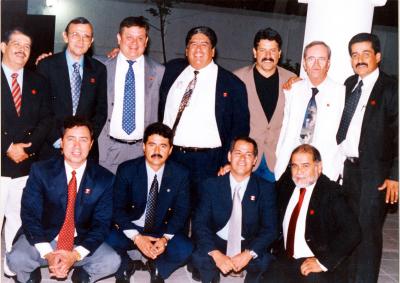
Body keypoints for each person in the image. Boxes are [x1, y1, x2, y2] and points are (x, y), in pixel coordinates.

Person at [7, 116, 120, 283]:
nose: (76, 146)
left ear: (91, 144)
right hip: (45, 237)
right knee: (16, 259)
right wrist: (48, 253)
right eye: (71, 139)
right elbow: (30, 214)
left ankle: (82, 275)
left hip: (79, 240)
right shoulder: (41, 171)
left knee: (112, 261)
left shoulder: (104, 179)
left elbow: (102, 224)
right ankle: (31, 273)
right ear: (61, 142)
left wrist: (75, 255)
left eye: (83, 140)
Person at [159, 26, 250, 197]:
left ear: (213, 51)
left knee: (204, 215)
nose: (198, 49)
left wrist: (229, 161)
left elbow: (240, 127)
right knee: (171, 212)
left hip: (209, 161)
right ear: (186, 50)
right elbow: (144, 68)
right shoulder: (170, 72)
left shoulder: (232, 84)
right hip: (172, 157)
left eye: (204, 44)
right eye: (193, 44)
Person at [337, 33, 398, 283]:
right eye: (354, 54)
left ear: (378, 57)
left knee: (367, 233)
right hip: (348, 170)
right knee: (349, 229)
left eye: (365, 53)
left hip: (376, 175)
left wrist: (395, 176)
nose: (359, 59)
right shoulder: (349, 83)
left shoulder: (391, 89)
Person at [106, 122, 192, 283]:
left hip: (161, 229)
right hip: (133, 226)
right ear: (144, 147)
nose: (157, 151)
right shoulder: (127, 169)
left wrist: (165, 239)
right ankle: (126, 265)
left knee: (185, 249)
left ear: (171, 150)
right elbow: (117, 209)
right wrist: (137, 237)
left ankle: (158, 267)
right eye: (152, 145)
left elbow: (182, 211)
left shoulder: (181, 174)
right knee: (106, 238)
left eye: (163, 146)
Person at [265, 144, 360, 283]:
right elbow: (262, 192)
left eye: (305, 166)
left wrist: (323, 262)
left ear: (318, 167)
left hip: (315, 260)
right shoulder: (287, 183)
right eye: (295, 166)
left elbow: (353, 232)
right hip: (284, 258)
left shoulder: (332, 193)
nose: (299, 172)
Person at [1, 27, 53, 277]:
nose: (22, 49)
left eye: (27, 46)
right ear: (3, 46)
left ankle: (12, 265)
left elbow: (46, 120)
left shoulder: (37, 81)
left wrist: (25, 149)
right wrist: (8, 147)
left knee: (18, 218)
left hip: (25, 163)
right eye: (16, 44)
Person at [192, 137, 277, 283]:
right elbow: (200, 223)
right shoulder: (211, 185)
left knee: (263, 261)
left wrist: (249, 253)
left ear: (255, 160)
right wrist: (216, 254)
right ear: (229, 156)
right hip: (218, 240)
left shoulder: (266, 188)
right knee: (200, 257)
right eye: (238, 153)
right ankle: (212, 275)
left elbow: (271, 228)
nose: (243, 159)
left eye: (248, 155)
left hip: (247, 242)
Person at [98, 16, 165, 174]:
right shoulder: (101, 66)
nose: (134, 43)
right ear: (119, 38)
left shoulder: (159, 71)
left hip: (141, 152)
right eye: (129, 37)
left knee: (135, 199)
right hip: (107, 149)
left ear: (146, 41)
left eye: (140, 38)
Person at [36, 17, 107, 162]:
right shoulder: (46, 66)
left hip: (85, 152)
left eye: (86, 36)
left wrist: (85, 141)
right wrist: (58, 141)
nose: (80, 41)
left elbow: (101, 112)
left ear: (91, 41)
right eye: (75, 34)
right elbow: (41, 109)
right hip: (51, 148)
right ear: (65, 36)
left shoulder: (99, 69)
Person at [275, 41, 345, 182]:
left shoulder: (341, 93)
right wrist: (280, 160)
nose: (316, 64)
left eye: (321, 59)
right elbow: (286, 128)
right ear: (304, 63)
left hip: (325, 169)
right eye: (311, 59)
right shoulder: (293, 90)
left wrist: (337, 169)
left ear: (328, 63)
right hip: (291, 167)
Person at [233, 27, 296, 182]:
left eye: (273, 50)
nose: (268, 56)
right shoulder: (237, 78)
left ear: (280, 53)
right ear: (255, 52)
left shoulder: (293, 80)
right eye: (263, 50)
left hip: (276, 160)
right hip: (246, 159)